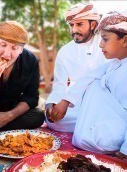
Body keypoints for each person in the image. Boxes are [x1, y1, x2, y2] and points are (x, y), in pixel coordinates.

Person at [51, 9, 127, 163]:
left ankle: (121, 143)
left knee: (95, 85)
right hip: (110, 120)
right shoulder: (113, 63)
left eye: (105, 39)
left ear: (125, 40)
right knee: (92, 82)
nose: (100, 45)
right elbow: (85, 79)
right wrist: (64, 102)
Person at [44, 3, 108, 132]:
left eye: (79, 24)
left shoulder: (105, 44)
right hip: (77, 105)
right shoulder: (65, 51)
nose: (74, 30)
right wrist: (51, 105)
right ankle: (90, 127)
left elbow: (96, 77)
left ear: (93, 25)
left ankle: (92, 126)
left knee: (102, 117)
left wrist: (67, 100)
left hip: (104, 103)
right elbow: (60, 85)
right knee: (52, 121)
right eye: (71, 25)